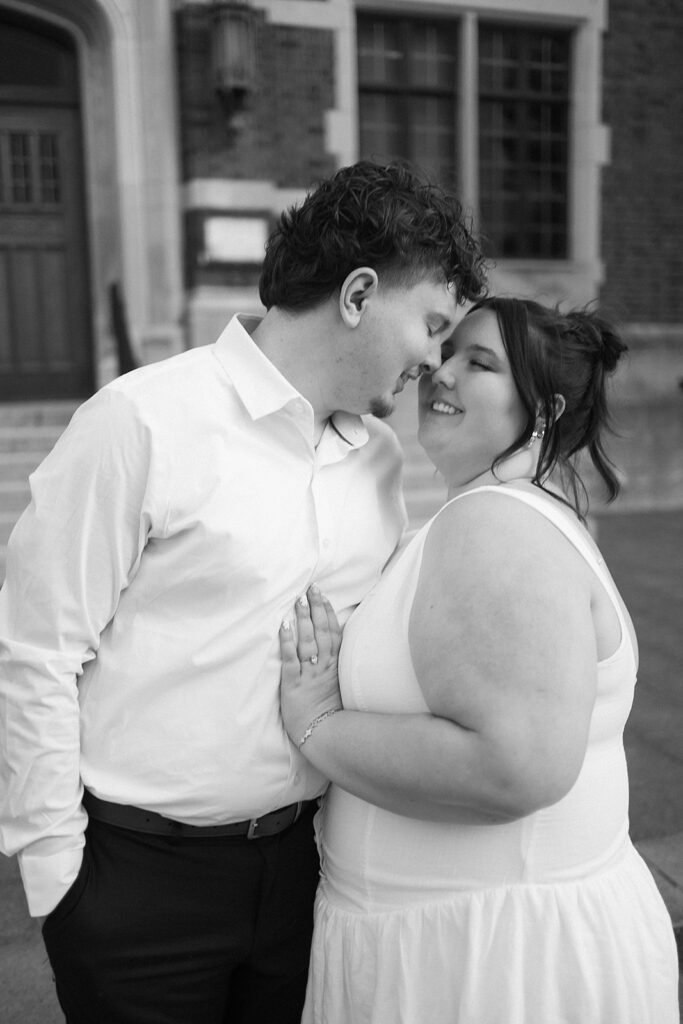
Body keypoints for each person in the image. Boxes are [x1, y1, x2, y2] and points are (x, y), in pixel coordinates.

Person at [0, 161, 487, 1024]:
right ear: (358, 293)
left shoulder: (376, 458)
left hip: (311, 870)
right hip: (138, 887)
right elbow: (34, 649)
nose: (433, 360)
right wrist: (60, 877)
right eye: (432, 324)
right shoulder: (142, 420)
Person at [279, 297, 680, 1024]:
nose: (441, 372)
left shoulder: (493, 524)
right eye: (447, 350)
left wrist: (316, 725)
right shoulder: (498, 512)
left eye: (480, 363)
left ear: (544, 409)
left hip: (487, 966)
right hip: (451, 939)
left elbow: (512, 764)